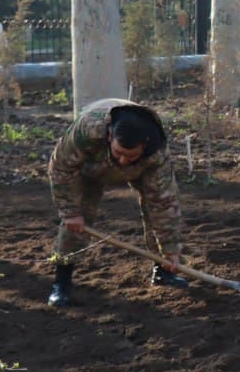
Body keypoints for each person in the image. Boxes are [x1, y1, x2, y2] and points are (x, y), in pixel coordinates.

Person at [47, 99, 188, 307]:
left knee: (154, 209)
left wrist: (171, 249)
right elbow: (60, 168)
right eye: (119, 153)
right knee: (80, 217)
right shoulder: (88, 130)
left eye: (130, 155)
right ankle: (62, 283)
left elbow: (163, 202)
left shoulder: (156, 154)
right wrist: (70, 211)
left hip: (142, 169)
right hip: (89, 167)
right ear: (110, 136)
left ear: (144, 145)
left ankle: (162, 271)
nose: (123, 160)